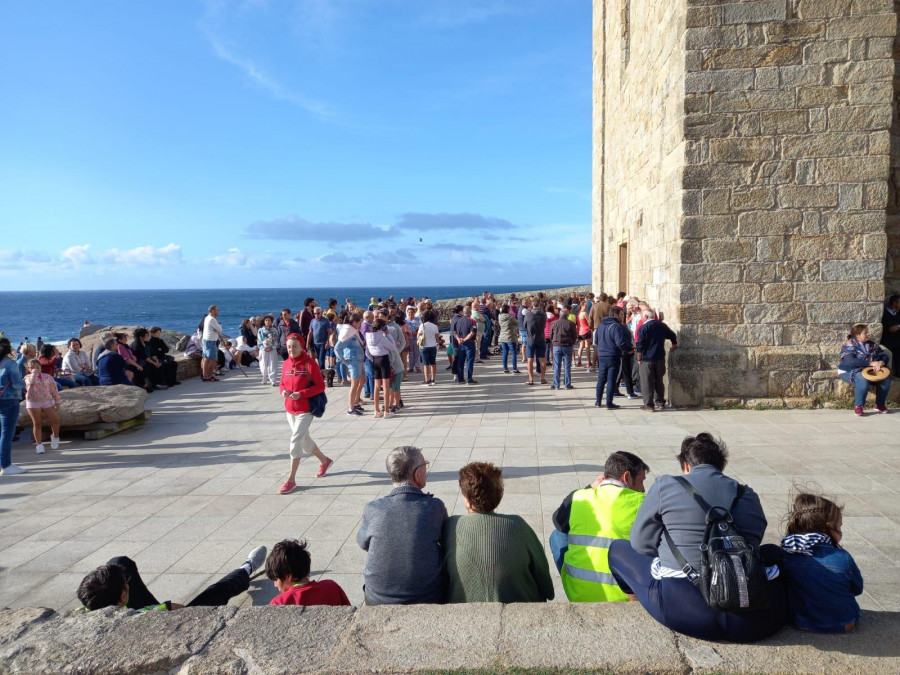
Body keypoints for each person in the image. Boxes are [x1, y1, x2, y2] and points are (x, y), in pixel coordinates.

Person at [607, 433, 787, 643]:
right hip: (755, 619)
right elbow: (754, 539)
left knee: (617, 549)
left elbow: (641, 544)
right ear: (721, 466)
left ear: (686, 466)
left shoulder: (665, 485)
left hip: (685, 612)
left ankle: (636, 604)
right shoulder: (747, 494)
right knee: (771, 552)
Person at [444, 462, 554, 603]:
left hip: (464, 611)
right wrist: (548, 591)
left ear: (467, 500)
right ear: (499, 495)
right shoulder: (518, 525)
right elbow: (542, 572)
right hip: (520, 609)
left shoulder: (452, 525)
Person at [550, 451, 648, 602]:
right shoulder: (641, 500)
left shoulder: (580, 496)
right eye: (641, 481)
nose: (643, 489)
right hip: (626, 597)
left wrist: (589, 487)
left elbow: (558, 522)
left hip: (577, 593)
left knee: (557, 536)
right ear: (626, 477)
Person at [357, 446, 447, 605]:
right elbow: (446, 544)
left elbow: (363, 543)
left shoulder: (373, 508)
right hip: (427, 598)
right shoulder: (434, 507)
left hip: (378, 600)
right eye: (425, 465)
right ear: (417, 473)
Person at [76, 545, 267, 612]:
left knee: (119, 562)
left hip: (121, 610)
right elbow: (181, 611)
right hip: (159, 624)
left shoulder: (82, 612)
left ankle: (245, 569)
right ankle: (246, 569)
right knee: (214, 595)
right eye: (126, 585)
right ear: (122, 598)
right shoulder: (151, 613)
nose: (128, 583)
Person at [779, 493, 863, 633]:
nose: (841, 533)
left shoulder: (787, 553)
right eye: (839, 527)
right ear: (828, 528)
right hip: (844, 623)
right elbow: (857, 588)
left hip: (799, 622)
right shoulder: (843, 557)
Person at [278, 334, 333, 494]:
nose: (291, 349)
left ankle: (291, 480)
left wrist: (301, 393)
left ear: (301, 347)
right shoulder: (286, 364)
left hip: (306, 409)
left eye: (294, 346)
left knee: (295, 441)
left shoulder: (310, 364)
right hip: (290, 408)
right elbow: (282, 383)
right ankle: (324, 460)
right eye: (289, 346)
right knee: (304, 440)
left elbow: (320, 386)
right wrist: (283, 391)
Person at [266, 539, 351, 606]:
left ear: (288, 576)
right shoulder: (332, 587)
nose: (275, 585)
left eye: (275, 579)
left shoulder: (278, 603)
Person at [838, 323, 891, 416]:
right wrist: (870, 363)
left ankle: (879, 405)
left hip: (868, 370)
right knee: (863, 380)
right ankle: (859, 406)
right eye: (865, 333)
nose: (868, 334)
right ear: (857, 335)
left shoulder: (871, 344)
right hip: (849, 370)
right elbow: (851, 361)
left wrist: (881, 362)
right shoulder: (849, 344)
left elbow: (884, 356)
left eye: (867, 332)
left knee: (886, 380)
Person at [635, 308, 678, 412]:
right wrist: (674, 344)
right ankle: (660, 402)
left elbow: (640, 343)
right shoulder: (662, 326)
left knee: (647, 382)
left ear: (646, 317)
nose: (642, 319)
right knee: (659, 380)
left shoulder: (644, 328)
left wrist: (639, 357)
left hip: (647, 359)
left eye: (642, 317)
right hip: (659, 357)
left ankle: (649, 405)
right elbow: (672, 335)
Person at [594, 307, 632, 410]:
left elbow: (596, 341)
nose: (622, 318)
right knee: (611, 379)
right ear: (615, 315)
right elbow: (620, 342)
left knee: (601, 379)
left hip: (602, 356)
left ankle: (598, 401)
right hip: (613, 356)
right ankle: (609, 403)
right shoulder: (616, 326)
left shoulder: (600, 326)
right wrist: (629, 348)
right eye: (621, 315)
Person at [24, 358, 61, 455]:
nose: (35, 369)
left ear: (41, 367)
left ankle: (55, 436)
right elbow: (31, 386)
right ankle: (39, 445)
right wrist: (34, 374)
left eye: (37, 367)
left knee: (55, 420)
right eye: (32, 367)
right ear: (28, 369)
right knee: (37, 423)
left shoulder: (47, 377)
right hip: (33, 402)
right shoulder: (27, 378)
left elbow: (54, 389)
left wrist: (57, 401)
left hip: (47, 400)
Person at [0, 337, 26, 476]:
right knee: (7, 432)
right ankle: (6, 465)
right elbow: (17, 384)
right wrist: (24, 385)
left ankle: (4, 463)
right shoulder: (10, 364)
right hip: (9, 399)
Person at [335, 313, 366, 416]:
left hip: (358, 359)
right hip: (353, 360)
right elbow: (337, 347)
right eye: (359, 323)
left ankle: (355, 403)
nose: (360, 325)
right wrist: (342, 359)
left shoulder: (352, 331)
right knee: (354, 384)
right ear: (354, 322)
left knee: (362, 380)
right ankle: (351, 408)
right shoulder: (347, 332)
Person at [549, 306, 577, 390]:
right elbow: (574, 336)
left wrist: (554, 342)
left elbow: (551, 336)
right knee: (567, 366)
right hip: (567, 346)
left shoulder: (554, 323)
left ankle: (556, 384)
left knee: (557, 366)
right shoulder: (571, 324)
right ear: (567, 315)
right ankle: (567, 384)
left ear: (560, 315)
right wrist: (571, 342)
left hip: (557, 345)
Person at [451, 305, 478, 385]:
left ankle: (460, 378)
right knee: (469, 361)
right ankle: (469, 378)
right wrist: (465, 339)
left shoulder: (458, 321)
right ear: (470, 312)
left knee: (460, 361)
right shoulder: (472, 321)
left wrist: (459, 339)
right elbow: (472, 332)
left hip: (460, 344)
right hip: (469, 343)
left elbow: (454, 332)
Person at [523, 302, 547, 386]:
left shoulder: (528, 315)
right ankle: (542, 378)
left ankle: (530, 379)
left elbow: (525, 325)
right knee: (542, 360)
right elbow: (544, 325)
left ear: (532, 305)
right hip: (541, 338)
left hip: (530, 339)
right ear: (539, 305)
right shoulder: (544, 315)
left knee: (530, 360)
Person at [417, 309, 441, 386]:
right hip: (433, 346)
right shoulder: (435, 326)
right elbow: (437, 337)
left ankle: (427, 379)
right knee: (433, 363)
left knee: (425, 364)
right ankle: (433, 379)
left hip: (424, 346)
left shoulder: (422, 325)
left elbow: (419, 335)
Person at [201, 305, 225, 382]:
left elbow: (216, 329)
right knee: (212, 359)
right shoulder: (212, 319)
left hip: (206, 340)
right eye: (217, 310)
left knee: (206, 359)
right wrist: (219, 325)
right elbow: (219, 329)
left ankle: (205, 376)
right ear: (212, 311)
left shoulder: (207, 318)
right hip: (210, 340)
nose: (218, 312)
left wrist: (216, 328)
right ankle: (209, 376)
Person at [307, 306, 333, 372]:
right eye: (315, 313)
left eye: (318, 313)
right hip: (315, 343)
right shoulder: (312, 321)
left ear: (321, 313)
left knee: (321, 359)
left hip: (323, 343)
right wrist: (307, 343)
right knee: (318, 358)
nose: (316, 315)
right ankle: (321, 372)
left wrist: (328, 342)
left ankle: (322, 374)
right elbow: (310, 333)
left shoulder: (326, 321)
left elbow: (329, 332)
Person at [257, 315, 280, 386]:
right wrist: (263, 348)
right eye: (266, 320)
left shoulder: (274, 330)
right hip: (263, 350)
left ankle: (273, 380)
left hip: (272, 349)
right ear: (264, 322)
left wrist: (272, 347)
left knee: (273, 364)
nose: (268, 322)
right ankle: (264, 378)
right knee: (263, 364)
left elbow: (277, 340)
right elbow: (259, 340)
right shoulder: (260, 330)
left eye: (269, 320)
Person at [881, 295, 900, 378]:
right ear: (895, 303)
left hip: (898, 340)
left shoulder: (899, 313)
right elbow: (892, 329)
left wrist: (898, 326)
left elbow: (896, 327)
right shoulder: (884, 313)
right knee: (887, 357)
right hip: (887, 341)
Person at [498, 304, 519, 374]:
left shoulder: (499, 316)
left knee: (505, 353)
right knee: (513, 353)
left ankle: (505, 368)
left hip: (502, 336)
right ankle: (514, 368)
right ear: (507, 310)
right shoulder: (510, 317)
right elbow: (517, 323)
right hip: (510, 336)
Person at [575, 299, 593, 371]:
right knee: (587, 346)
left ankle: (579, 361)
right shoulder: (585, 313)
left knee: (581, 346)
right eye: (585, 306)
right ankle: (588, 362)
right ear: (582, 306)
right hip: (586, 330)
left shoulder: (579, 313)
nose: (586, 307)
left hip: (580, 331)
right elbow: (589, 322)